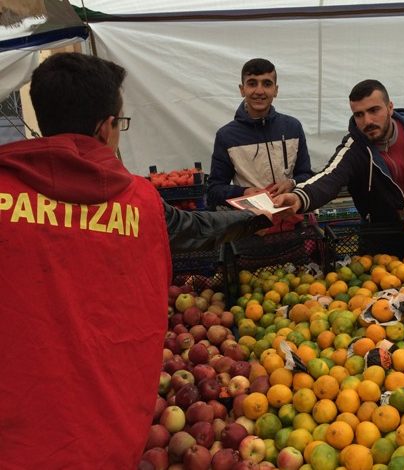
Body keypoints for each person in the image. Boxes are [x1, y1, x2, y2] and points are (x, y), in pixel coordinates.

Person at [0, 52, 271, 468]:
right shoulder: (141, 203)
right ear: (105, 126)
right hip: (108, 434)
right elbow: (199, 230)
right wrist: (259, 215)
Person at [274, 79, 404, 253]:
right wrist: (298, 198)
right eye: (359, 114)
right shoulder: (355, 147)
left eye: (374, 110)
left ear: (390, 108)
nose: (367, 121)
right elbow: (330, 177)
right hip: (378, 239)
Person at [206, 57, 313, 209]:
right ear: (242, 89)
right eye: (252, 83)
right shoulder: (227, 136)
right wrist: (244, 192)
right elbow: (214, 190)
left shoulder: (292, 127)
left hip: (292, 219)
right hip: (251, 225)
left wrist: (292, 183)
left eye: (267, 84)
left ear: (275, 90)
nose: (259, 91)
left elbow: (307, 175)